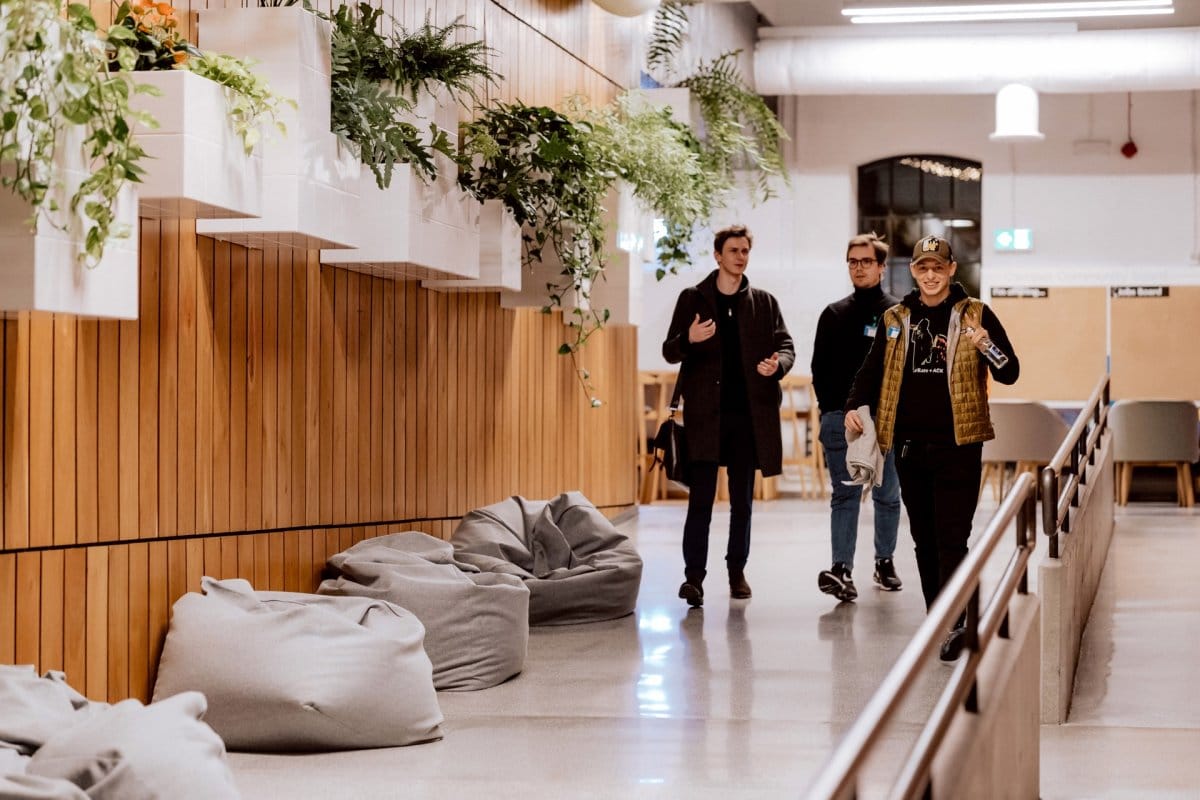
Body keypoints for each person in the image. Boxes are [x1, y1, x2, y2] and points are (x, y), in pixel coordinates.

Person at [845, 235, 1019, 661]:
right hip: (908, 445)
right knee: (923, 537)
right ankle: (938, 618)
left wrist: (985, 345)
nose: (930, 275)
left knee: (953, 537)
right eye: (923, 268)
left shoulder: (976, 313)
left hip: (959, 443)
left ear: (951, 270)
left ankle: (957, 621)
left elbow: (1010, 371)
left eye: (937, 268)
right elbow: (871, 371)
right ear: (914, 272)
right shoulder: (896, 318)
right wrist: (854, 404)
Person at [662, 225, 795, 608]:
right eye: (734, 250)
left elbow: (786, 346)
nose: (741, 256)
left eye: (746, 250)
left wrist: (778, 365)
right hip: (706, 417)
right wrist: (690, 339)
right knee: (700, 501)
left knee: (743, 502)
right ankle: (694, 579)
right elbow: (671, 351)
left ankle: (736, 570)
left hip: (748, 419)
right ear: (718, 255)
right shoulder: (693, 299)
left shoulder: (764, 302)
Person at [811, 233, 903, 603]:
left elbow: (899, 370)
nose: (859, 267)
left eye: (866, 261)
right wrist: (838, 411)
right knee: (845, 496)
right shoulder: (833, 314)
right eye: (853, 261)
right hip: (841, 419)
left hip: (887, 420)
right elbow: (821, 370)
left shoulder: (897, 314)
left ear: (881, 267)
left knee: (888, 494)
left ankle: (884, 562)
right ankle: (841, 570)